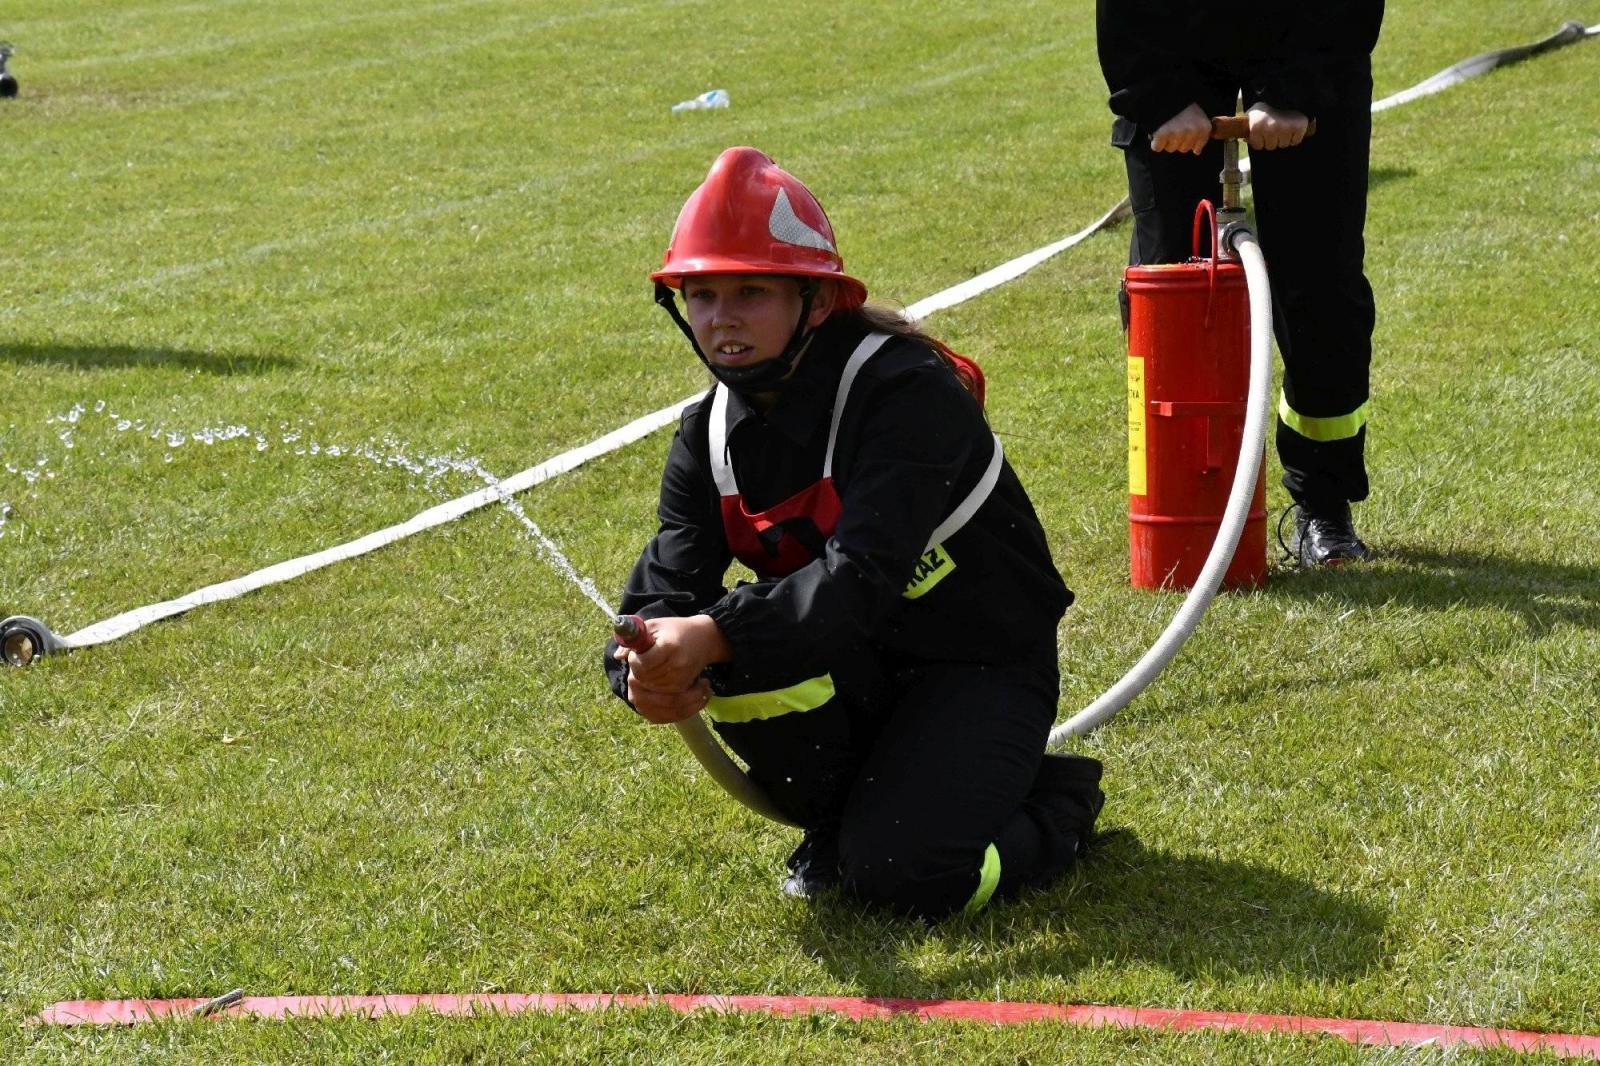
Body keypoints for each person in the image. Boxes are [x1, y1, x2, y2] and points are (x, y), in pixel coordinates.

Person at [603, 146, 1104, 920]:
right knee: (731, 653)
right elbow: (664, 585)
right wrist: (638, 668)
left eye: (750, 292)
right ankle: (849, 819)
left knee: (909, 877)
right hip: (856, 668)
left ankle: (1056, 807)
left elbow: (858, 580)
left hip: (979, 663)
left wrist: (710, 633)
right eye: (700, 294)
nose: (721, 319)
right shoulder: (705, 433)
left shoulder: (906, 392)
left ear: (817, 301)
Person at [1096, 2, 1386, 565]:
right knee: (1169, 290)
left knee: (1320, 291)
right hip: (1169, 42)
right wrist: (1157, 96)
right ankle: (1185, 502)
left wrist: (1295, 90)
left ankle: (1323, 508)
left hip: (1309, 41)